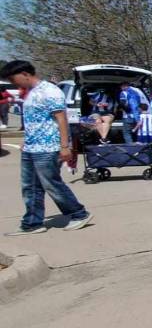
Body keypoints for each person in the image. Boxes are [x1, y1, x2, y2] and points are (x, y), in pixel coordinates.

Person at [1, 60, 92, 236]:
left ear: (25, 74)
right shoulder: (32, 93)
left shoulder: (50, 91)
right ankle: (32, 223)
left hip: (48, 147)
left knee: (51, 184)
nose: (14, 84)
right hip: (32, 147)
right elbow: (35, 121)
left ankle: (78, 213)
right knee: (30, 186)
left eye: (14, 79)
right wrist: (27, 142)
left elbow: (61, 119)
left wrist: (65, 146)